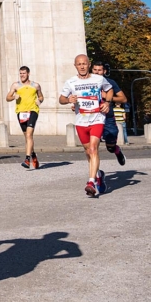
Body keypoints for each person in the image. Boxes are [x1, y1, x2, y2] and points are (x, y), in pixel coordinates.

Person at [59, 54, 114, 198]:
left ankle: (91, 182)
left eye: (84, 63)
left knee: (93, 148)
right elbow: (61, 99)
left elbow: (109, 90)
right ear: (75, 66)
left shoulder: (99, 79)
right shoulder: (71, 82)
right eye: (79, 64)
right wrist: (68, 100)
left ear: (89, 65)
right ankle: (98, 174)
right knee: (87, 151)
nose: (82, 66)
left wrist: (107, 103)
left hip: (97, 118)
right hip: (81, 120)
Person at [6, 66, 44, 169]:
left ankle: (27, 160)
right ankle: (33, 155)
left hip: (33, 111)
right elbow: (7, 97)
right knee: (27, 137)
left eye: (24, 73)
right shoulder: (16, 85)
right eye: (20, 73)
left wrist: (39, 100)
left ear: (28, 74)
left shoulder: (35, 85)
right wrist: (14, 97)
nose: (22, 75)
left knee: (29, 134)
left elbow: (41, 96)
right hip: (21, 112)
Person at [91, 62, 127, 168]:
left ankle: (116, 150)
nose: (97, 72)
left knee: (110, 147)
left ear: (104, 71)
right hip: (92, 116)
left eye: (99, 70)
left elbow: (123, 99)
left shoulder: (110, 82)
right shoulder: (86, 83)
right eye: (95, 70)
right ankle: (95, 174)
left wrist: (108, 97)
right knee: (92, 147)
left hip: (108, 117)